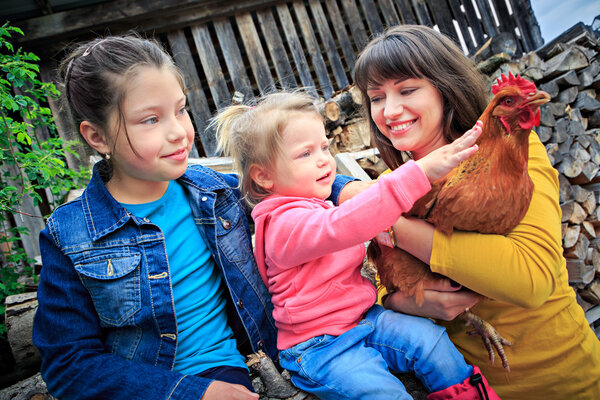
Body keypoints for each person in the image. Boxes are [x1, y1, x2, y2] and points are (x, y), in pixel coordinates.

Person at [31, 35, 363, 400]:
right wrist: (194, 393)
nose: (178, 132)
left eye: (181, 109)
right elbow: (68, 365)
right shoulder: (69, 235)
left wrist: (343, 189)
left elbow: (279, 180)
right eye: (151, 119)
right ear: (98, 136)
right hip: (149, 388)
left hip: (235, 369)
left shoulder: (214, 193)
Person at [353, 24, 600, 399]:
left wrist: (390, 222)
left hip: (564, 378)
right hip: (470, 389)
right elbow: (373, 280)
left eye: (407, 90)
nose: (389, 111)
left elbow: (530, 280)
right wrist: (399, 299)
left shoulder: (510, 154)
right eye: (376, 97)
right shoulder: (390, 182)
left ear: (444, 87)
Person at [212, 90, 502, 400]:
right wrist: (419, 174)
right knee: (384, 393)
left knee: (431, 342)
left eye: (324, 146)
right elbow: (342, 226)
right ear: (264, 176)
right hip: (320, 346)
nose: (324, 159)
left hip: (365, 319)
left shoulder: (315, 206)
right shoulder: (281, 224)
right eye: (305, 153)